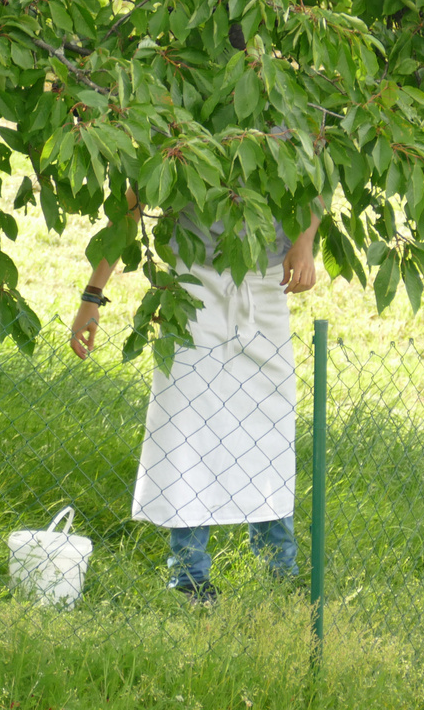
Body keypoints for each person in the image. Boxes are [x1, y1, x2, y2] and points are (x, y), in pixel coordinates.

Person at [69, 189, 320, 604]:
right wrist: (92, 294)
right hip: (191, 282)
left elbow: (317, 171)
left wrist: (305, 241)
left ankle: (281, 567)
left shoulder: (293, 120)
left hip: (267, 281)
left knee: (269, 428)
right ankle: (189, 576)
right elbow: (131, 201)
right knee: (186, 425)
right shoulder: (179, 124)